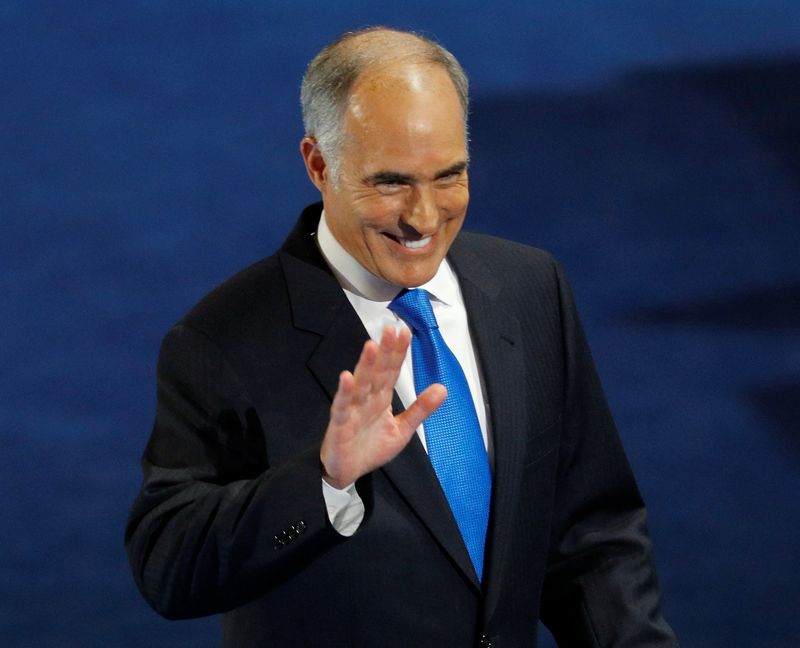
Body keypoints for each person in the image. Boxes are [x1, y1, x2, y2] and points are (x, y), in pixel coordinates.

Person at [125, 27, 678, 647]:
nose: (423, 217)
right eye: (390, 182)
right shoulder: (222, 339)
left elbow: (590, 535)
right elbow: (169, 569)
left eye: (449, 175)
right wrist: (324, 483)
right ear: (318, 164)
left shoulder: (529, 289)